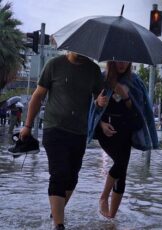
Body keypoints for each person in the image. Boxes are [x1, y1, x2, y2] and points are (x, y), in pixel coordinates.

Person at [20, 52, 107, 230]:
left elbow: (100, 100)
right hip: (55, 129)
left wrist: (99, 102)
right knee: (59, 174)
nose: (82, 52)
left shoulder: (93, 70)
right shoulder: (54, 65)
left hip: (79, 132)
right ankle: (59, 225)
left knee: (72, 178)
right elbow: (38, 96)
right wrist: (27, 126)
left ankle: (55, 212)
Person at [88, 61, 158, 219]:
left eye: (125, 60)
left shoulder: (135, 81)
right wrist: (100, 118)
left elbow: (137, 113)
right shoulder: (101, 79)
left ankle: (111, 218)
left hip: (126, 131)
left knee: (122, 173)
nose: (122, 64)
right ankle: (104, 197)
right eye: (118, 60)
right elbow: (91, 107)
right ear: (111, 60)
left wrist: (125, 96)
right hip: (106, 131)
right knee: (119, 163)